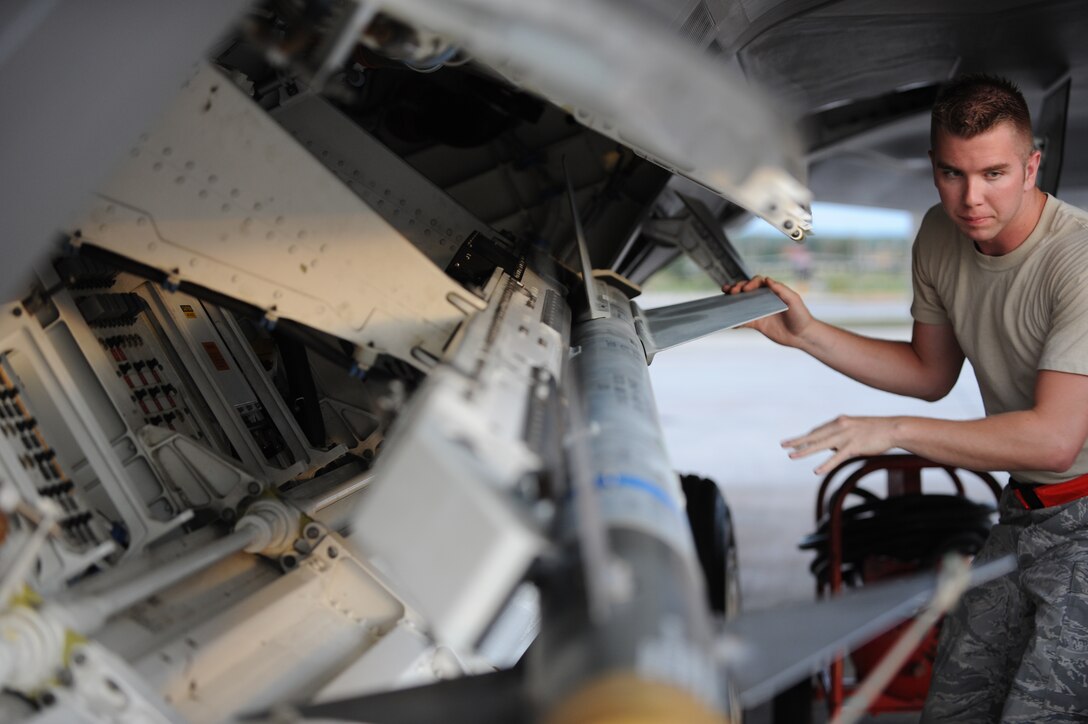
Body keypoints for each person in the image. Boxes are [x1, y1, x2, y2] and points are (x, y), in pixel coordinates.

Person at [725, 74, 1088, 722]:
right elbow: (930, 372)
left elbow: (1055, 441)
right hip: (1024, 509)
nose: (971, 198)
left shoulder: (1077, 260)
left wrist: (892, 429)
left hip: (1081, 515)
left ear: (1032, 166)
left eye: (995, 174)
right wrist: (808, 335)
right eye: (953, 174)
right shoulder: (939, 234)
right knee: (954, 706)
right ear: (933, 167)